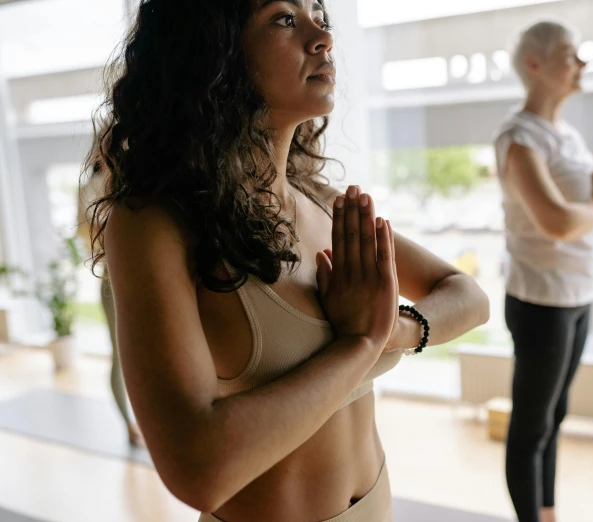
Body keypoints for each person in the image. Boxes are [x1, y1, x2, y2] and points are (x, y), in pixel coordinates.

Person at [85, 1, 490, 521]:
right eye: (283, 18)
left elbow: (467, 295)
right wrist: (360, 343)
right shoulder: (156, 223)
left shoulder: (320, 200)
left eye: (318, 12)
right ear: (215, 53)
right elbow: (197, 472)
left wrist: (394, 330)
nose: (322, 36)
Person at [494, 20, 593, 522]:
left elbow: (591, 209)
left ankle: (547, 515)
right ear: (534, 64)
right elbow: (555, 222)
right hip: (540, 299)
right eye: (571, 55)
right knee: (531, 427)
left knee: (555, 417)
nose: (582, 64)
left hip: (578, 294)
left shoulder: (565, 135)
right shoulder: (520, 137)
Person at [77, 162, 145, 448]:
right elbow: (88, 233)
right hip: (113, 278)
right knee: (121, 357)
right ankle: (131, 425)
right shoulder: (93, 188)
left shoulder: (134, 181)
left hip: (139, 277)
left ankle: (144, 424)